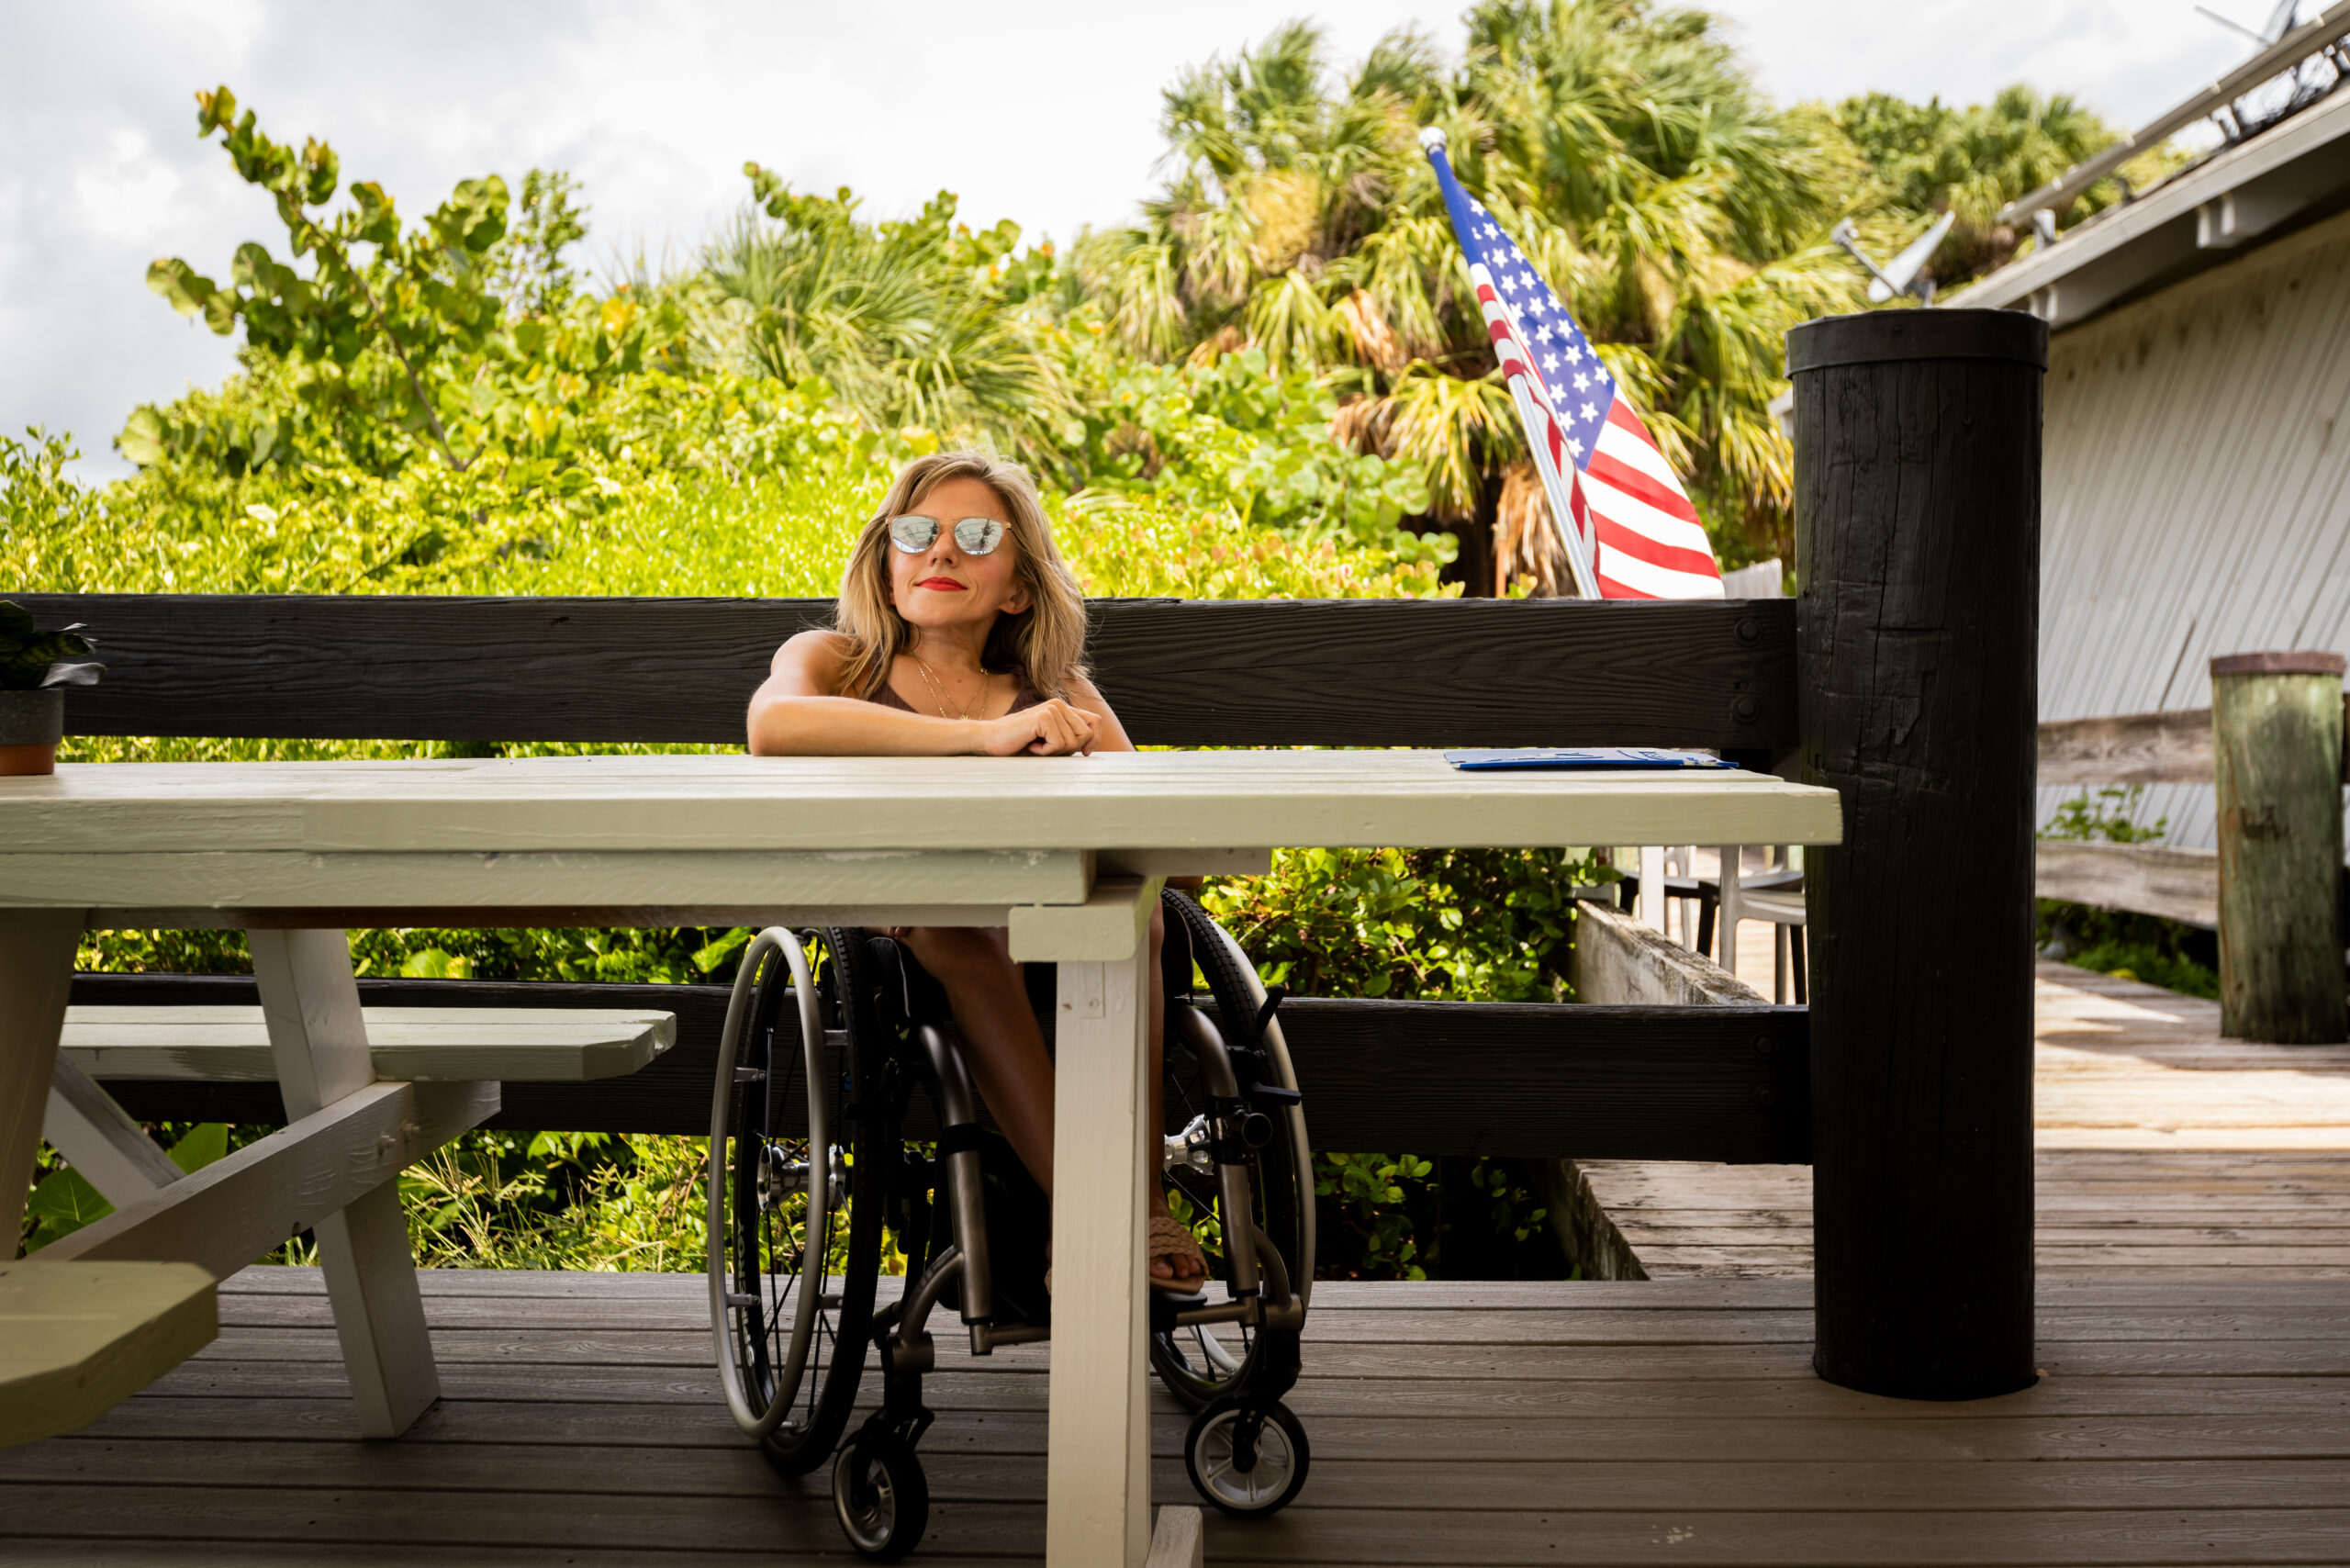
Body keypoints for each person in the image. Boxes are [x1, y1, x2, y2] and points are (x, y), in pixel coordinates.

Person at [744, 449, 1210, 1294]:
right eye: (916, 532)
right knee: (964, 938)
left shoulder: (1047, 688)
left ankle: (1136, 1206)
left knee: (1133, 914)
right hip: (899, 914)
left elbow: (1154, 822)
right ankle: (1106, 1211)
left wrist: (1060, 743)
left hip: (1035, 908)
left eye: (975, 535)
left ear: (1019, 587)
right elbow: (772, 728)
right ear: (887, 570)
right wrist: (982, 739)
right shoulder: (834, 663)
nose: (941, 551)